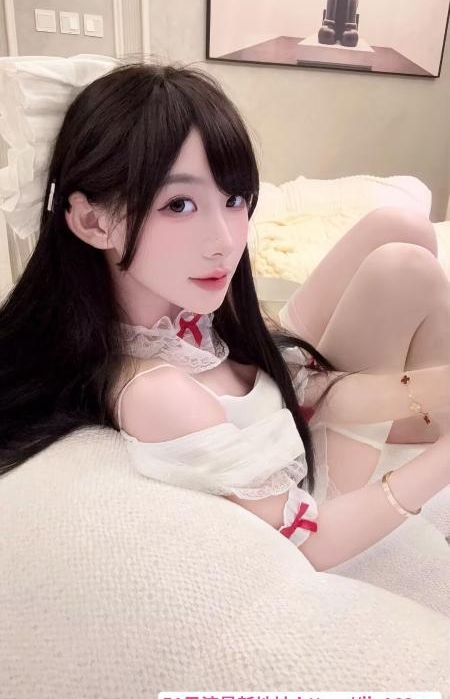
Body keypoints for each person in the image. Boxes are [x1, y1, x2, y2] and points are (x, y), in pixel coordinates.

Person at [0, 56, 449, 573]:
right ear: (91, 221)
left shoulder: (190, 305)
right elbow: (308, 544)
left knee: (400, 225)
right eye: (179, 205)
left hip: (293, 406)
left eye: (235, 199)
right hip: (323, 492)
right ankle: (425, 425)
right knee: (404, 269)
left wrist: (428, 387)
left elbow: (305, 382)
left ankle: (423, 414)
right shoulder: (156, 391)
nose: (226, 241)